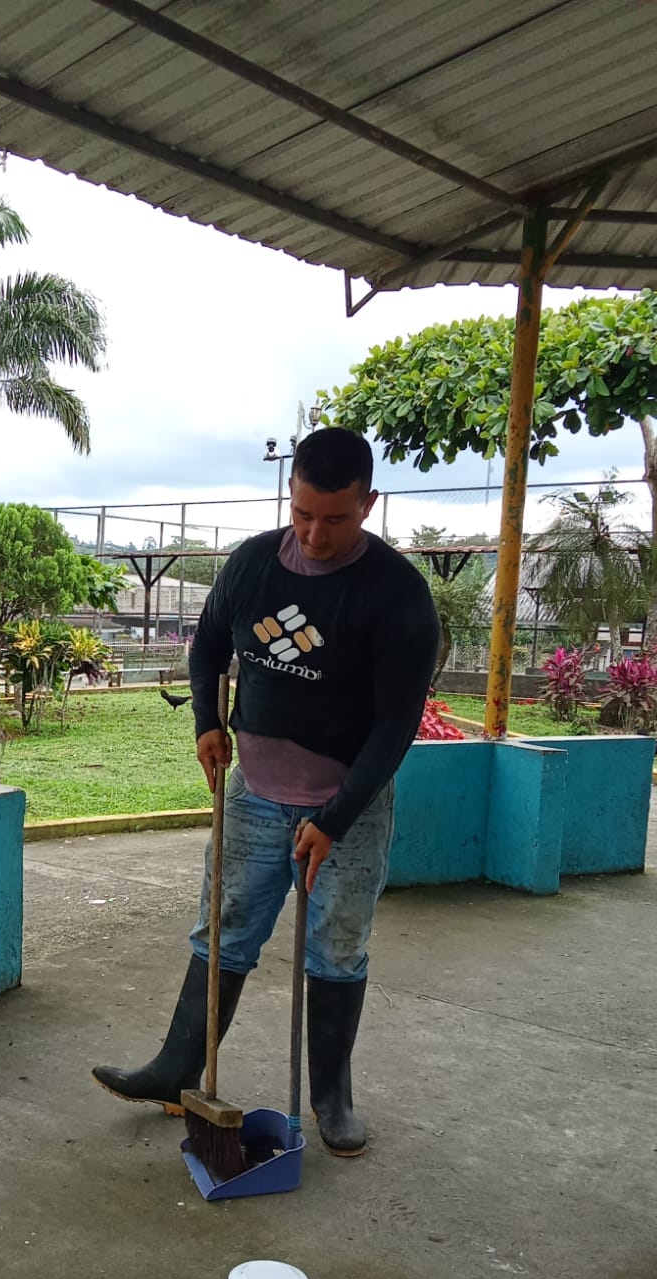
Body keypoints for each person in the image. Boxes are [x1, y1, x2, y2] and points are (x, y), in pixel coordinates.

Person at [93, 427, 440, 1155]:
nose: (315, 535)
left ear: (369, 503)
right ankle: (176, 1070)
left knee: (337, 947)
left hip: (348, 805)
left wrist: (334, 819)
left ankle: (331, 1099)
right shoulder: (252, 564)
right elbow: (210, 646)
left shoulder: (397, 593)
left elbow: (395, 726)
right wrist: (206, 722)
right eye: (303, 514)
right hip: (252, 794)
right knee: (223, 928)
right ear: (290, 494)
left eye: (336, 519)